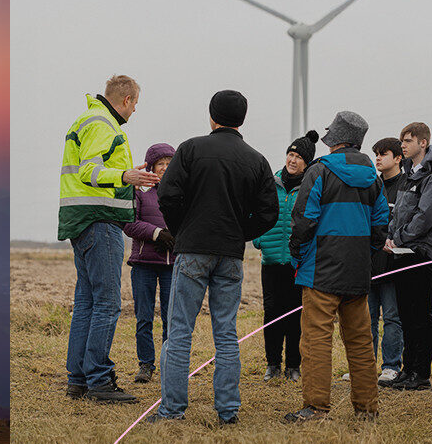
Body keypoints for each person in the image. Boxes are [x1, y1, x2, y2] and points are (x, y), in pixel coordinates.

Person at [145, 90, 278, 425]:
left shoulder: (190, 149)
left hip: (192, 251)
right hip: (230, 255)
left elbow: (167, 195)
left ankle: (172, 410)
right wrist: (239, 233)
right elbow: (269, 213)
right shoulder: (257, 160)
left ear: (212, 116)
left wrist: (183, 230)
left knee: (179, 331)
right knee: (226, 333)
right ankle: (228, 412)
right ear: (242, 119)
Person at [59, 74, 159, 403]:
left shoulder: (88, 119)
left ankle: (78, 378)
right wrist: (125, 174)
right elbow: (90, 170)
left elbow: (93, 169)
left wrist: (128, 174)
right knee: (107, 304)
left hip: (84, 222)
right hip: (100, 222)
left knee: (87, 303)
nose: (134, 112)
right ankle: (99, 380)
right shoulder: (103, 123)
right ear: (127, 100)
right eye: (136, 105)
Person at [282, 111, 387, 423]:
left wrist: (296, 253)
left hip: (320, 271)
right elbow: (380, 225)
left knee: (316, 339)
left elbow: (303, 220)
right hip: (357, 271)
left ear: (335, 139)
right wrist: (364, 256)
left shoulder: (319, 172)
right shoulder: (374, 178)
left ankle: (315, 408)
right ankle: (367, 409)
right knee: (360, 342)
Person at [385, 122, 432, 391]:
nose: (403, 145)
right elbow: (398, 212)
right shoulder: (408, 176)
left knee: (421, 315)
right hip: (401, 254)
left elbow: (424, 217)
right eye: (402, 141)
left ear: (423, 143)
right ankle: (407, 369)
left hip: (420, 255)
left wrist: (398, 238)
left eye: (408, 140)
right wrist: (390, 236)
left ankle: (421, 373)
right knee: (406, 315)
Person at [252, 130, 318, 382]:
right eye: (291, 154)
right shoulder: (271, 183)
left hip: (297, 262)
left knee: (295, 314)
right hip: (270, 261)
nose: (293, 160)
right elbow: (256, 212)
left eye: (299, 157)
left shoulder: (310, 186)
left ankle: (293, 365)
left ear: (307, 162)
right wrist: (259, 239)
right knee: (271, 313)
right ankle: (272, 364)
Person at [122, 142, 176, 383]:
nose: (165, 167)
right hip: (143, 263)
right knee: (144, 317)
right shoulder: (139, 192)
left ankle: (168, 362)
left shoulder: (180, 194)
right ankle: (146, 365)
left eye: (168, 163)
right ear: (151, 166)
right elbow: (129, 224)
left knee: (170, 317)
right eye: (160, 163)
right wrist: (157, 234)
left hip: (172, 265)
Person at [368, 137, 405, 386]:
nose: (378, 159)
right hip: (370, 263)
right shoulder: (372, 185)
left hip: (393, 264)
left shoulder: (405, 186)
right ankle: (365, 365)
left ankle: (391, 365)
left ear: (398, 158)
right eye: (376, 154)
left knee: (392, 316)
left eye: (384, 154)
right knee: (367, 317)